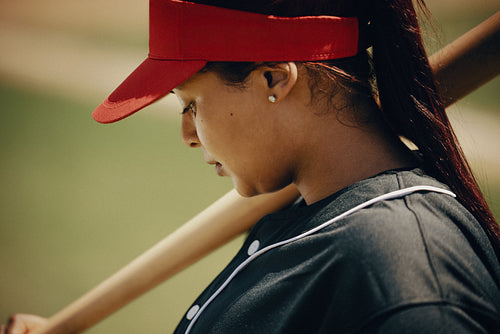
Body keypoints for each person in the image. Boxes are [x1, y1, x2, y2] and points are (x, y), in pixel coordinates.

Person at [3, 0, 500, 333]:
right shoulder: (307, 215)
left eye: (191, 103)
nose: (187, 135)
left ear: (274, 79)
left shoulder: (406, 279)